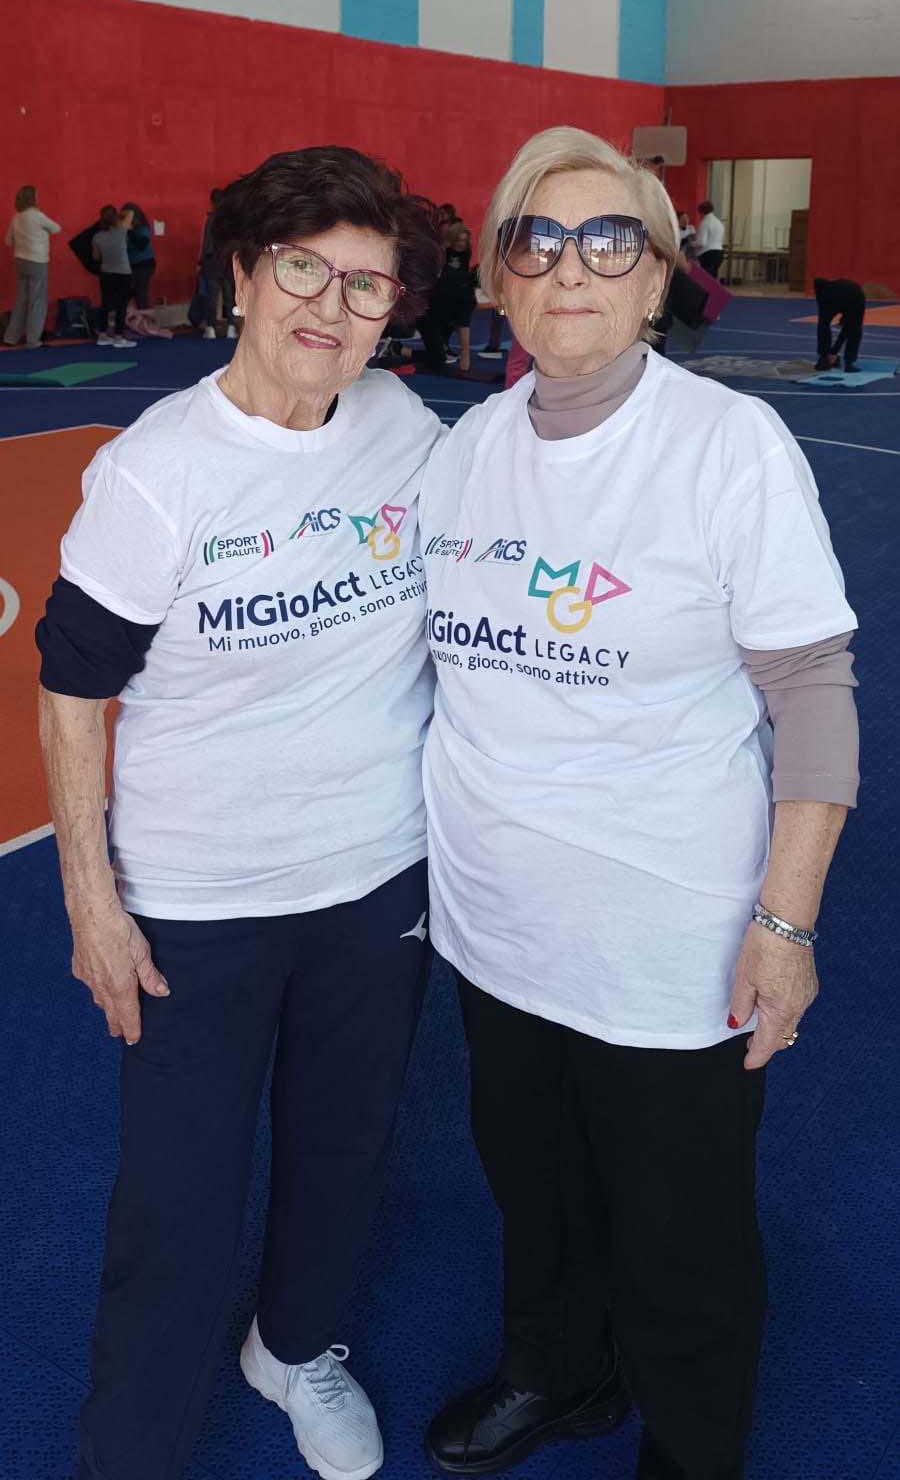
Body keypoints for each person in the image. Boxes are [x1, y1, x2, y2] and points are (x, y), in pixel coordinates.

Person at [419, 127, 858, 1480]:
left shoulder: (728, 446)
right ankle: (559, 1369)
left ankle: (691, 1436)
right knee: (534, 1182)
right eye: (537, 240)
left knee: (683, 1225)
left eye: (610, 240)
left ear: (659, 278)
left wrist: (786, 923)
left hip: (667, 934)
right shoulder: (464, 448)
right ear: (499, 277)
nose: (572, 268)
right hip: (496, 926)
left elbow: (812, 692)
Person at [37, 147, 443, 1480]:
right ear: (243, 277)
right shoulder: (158, 474)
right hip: (200, 904)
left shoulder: (403, 426)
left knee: (343, 1146)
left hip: (378, 878)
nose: (331, 306)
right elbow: (72, 694)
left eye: (367, 285)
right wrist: (93, 904)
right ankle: (131, 1448)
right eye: (303, 269)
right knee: (179, 1196)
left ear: (391, 312)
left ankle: (295, 1345)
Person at [3, 183, 61, 347]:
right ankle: (33, 340)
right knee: (37, 302)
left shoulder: (16, 218)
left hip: (20, 261)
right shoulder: (38, 216)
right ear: (33, 199)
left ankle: (10, 338)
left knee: (20, 300)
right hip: (37, 261)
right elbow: (57, 228)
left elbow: (8, 241)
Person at [419, 220, 478, 375]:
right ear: (452, 240)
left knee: (461, 322)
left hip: (460, 294)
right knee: (440, 331)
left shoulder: (466, 253)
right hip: (441, 295)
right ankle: (440, 347)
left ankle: (462, 355)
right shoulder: (443, 251)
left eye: (465, 241)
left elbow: (462, 271)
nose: (462, 244)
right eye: (459, 241)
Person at [91, 206, 136, 348]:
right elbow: (131, 212)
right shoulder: (121, 230)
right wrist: (117, 215)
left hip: (106, 273)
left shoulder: (97, 237)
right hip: (123, 273)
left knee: (105, 304)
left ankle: (103, 336)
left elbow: (96, 256)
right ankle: (119, 337)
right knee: (121, 305)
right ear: (115, 218)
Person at [198, 186, 238, 338]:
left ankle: (211, 328)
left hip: (212, 261)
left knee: (212, 296)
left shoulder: (211, 219)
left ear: (212, 202)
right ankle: (231, 327)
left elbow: (207, 243)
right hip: (227, 260)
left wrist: (201, 262)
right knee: (229, 295)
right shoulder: (230, 220)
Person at [814, 276, 866, 374]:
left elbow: (846, 328)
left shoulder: (823, 295)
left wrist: (833, 351)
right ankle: (848, 363)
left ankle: (825, 359)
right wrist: (833, 351)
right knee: (854, 330)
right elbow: (846, 329)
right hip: (851, 294)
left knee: (825, 326)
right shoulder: (826, 293)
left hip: (854, 297)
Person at [121, 203, 156, 308]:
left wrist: (129, 231)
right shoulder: (124, 231)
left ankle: (145, 316)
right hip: (131, 266)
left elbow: (141, 245)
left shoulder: (143, 229)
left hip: (144, 265)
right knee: (129, 294)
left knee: (141, 297)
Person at [694, 198, 725, 277]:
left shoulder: (705, 222)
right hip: (719, 253)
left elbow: (701, 242)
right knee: (713, 278)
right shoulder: (718, 222)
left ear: (702, 212)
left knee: (706, 279)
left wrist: (692, 244)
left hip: (708, 255)